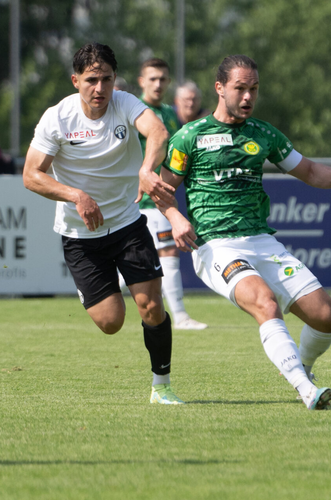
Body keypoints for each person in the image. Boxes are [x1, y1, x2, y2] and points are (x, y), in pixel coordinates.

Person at [157, 55, 331, 410]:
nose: (248, 97)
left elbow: (311, 172)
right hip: (215, 247)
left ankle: (304, 368)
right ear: (220, 89)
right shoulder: (190, 136)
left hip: (262, 242)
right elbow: (162, 190)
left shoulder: (264, 134)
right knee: (266, 304)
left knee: (327, 319)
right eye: (240, 89)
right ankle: (305, 389)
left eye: (253, 89)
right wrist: (176, 217)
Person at [22, 43, 185, 405]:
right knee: (111, 321)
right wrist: (77, 196)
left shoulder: (124, 103)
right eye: (92, 80)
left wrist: (146, 169)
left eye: (107, 79)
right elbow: (31, 176)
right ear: (75, 80)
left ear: (115, 80)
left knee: (152, 308)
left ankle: (162, 387)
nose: (100, 89)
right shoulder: (57, 118)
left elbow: (158, 132)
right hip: (80, 236)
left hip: (127, 224)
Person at [133, 58, 207, 330]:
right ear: (142, 81)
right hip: (142, 198)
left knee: (160, 255)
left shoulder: (169, 113)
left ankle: (179, 316)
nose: (158, 84)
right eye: (152, 78)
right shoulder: (133, 111)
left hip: (159, 196)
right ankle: (180, 317)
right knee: (167, 254)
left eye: (163, 79)